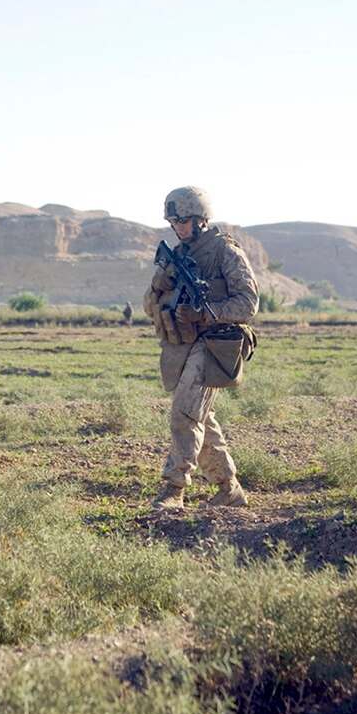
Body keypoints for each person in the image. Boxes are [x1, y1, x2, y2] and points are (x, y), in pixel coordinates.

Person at [143, 186, 259, 509]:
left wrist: (206, 313)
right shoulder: (176, 257)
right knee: (200, 420)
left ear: (201, 218)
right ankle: (228, 488)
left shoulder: (224, 251)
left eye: (184, 220)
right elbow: (148, 307)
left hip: (216, 344)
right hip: (183, 347)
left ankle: (173, 488)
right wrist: (158, 285)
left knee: (184, 413)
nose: (179, 227)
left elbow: (249, 302)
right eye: (174, 221)